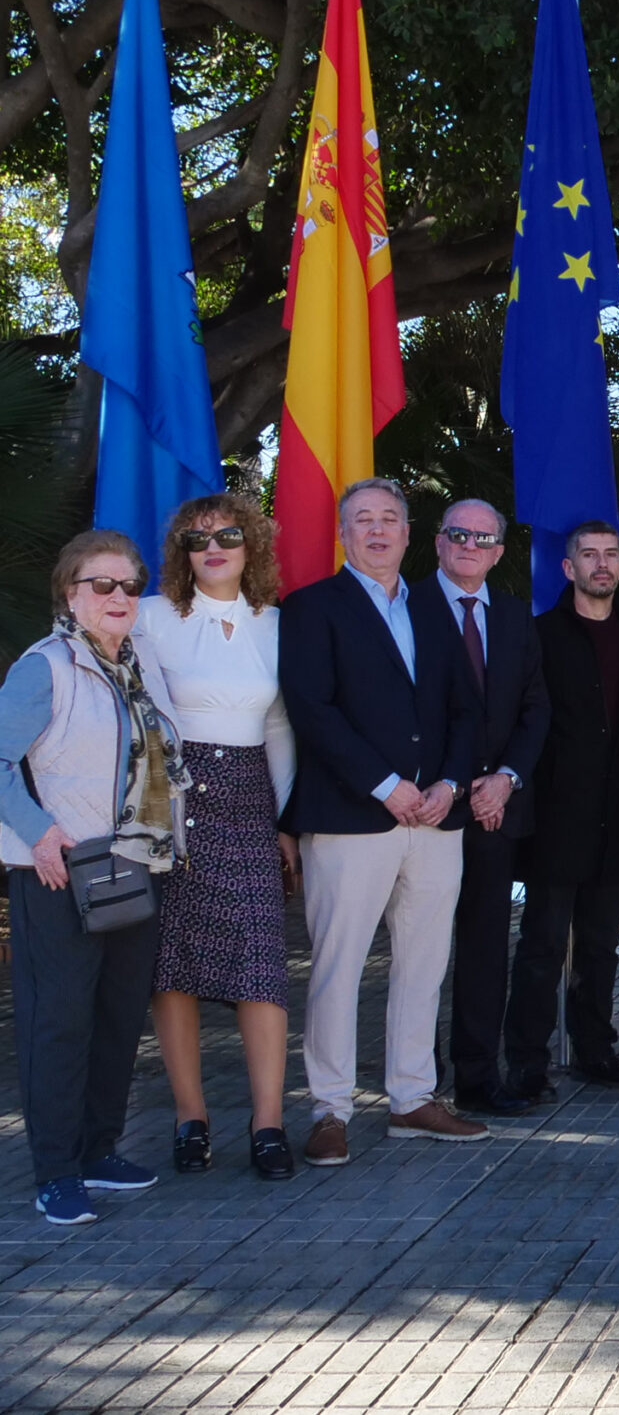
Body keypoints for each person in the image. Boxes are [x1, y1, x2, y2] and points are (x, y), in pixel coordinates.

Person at [280, 479, 487, 1166]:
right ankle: (330, 1109)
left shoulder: (433, 608)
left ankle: (411, 1098)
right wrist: (386, 784)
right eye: (362, 520)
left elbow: (465, 709)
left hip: (435, 820)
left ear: (407, 532)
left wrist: (451, 783)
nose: (376, 530)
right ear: (344, 534)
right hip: (350, 818)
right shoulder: (312, 607)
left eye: (389, 519)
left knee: (424, 962)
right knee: (337, 967)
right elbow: (313, 709)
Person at [1, 531, 187, 1223]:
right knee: (60, 1020)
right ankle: (55, 1170)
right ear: (70, 594)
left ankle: (99, 1149)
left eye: (127, 585)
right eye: (99, 584)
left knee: (115, 1016)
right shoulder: (44, 668)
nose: (117, 597)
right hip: (60, 870)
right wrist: (40, 833)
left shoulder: (142, 667)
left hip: (136, 867)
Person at [139, 495, 300, 1181]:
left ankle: (268, 1124)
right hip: (174, 797)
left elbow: (280, 729)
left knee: (262, 967)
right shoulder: (149, 618)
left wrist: (283, 821)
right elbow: (146, 721)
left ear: (252, 545)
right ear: (180, 550)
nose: (213, 547)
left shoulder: (279, 625)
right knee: (172, 970)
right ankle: (190, 1118)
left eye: (228, 535)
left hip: (251, 798)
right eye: (196, 538)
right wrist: (157, 815)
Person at [507, 521, 619, 1097]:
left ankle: (596, 1050)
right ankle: (526, 1061)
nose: (601, 564)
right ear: (567, 567)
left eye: (610, 555)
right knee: (542, 944)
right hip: (554, 814)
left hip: (617, 812)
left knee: (600, 946)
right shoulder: (539, 635)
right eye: (588, 555)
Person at [423, 499, 550, 1121]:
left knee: (484, 949)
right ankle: (414, 1080)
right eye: (458, 534)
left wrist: (503, 779)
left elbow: (534, 709)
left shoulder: (515, 615)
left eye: (483, 537)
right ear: (439, 543)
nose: (470, 545)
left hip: (496, 810)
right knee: (416, 949)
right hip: (422, 808)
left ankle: (477, 1077)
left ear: (499, 552)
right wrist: (455, 783)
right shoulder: (407, 605)